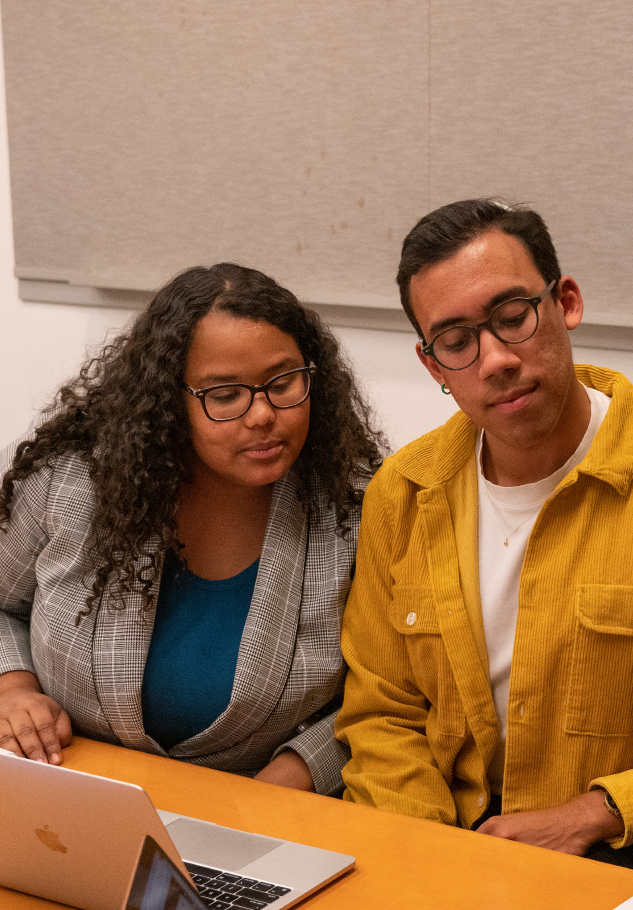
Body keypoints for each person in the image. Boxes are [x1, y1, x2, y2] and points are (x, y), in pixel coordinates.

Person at [335, 199, 633, 871]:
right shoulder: (402, 493)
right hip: (450, 844)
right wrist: (432, 855)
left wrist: (593, 814)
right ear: (433, 366)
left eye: (513, 317)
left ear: (565, 302)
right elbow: (381, 714)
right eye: (457, 342)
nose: (496, 359)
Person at [0, 263, 386, 795]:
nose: (262, 415)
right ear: (167, 403)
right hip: (68, 792)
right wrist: (12, 688)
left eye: (283, 382)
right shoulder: (74, 481)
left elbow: (386, 696)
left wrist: (291, 780)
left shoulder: (360, 507)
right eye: (224, 395)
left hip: (266, 812)